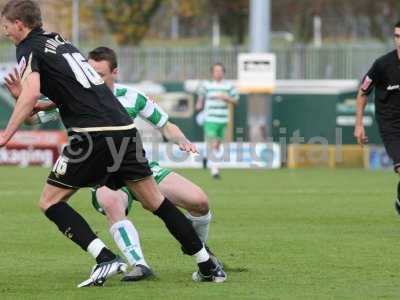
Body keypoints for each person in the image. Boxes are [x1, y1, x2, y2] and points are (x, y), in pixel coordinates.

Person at [0, 0, 225, 286]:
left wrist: (7, 133)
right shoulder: (59, 42)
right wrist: (37, 104)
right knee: (156, 201)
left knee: (50, 201)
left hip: (92, 134)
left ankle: (105, 257)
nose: (5, 31)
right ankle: (207, 264)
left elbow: (31, 94)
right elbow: (74, 90)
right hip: (124, 129)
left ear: (20, 24)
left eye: (5, 26)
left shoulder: (28, 46)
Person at [354, 21, 400, 214]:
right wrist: (359, 125)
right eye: (397, 36)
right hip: (391, 124)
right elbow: (363, 92)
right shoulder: (382, 65)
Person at [196, 63, 239, 179]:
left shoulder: (229, 87)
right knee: (214, 143)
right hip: (210, 119)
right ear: (212, 73)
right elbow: (200, 97)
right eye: (216, 71)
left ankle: (206, 157)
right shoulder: (207, 85)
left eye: (220, 71)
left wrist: (227, 98)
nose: (218, 73)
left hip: (223, 119)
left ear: (223, 72)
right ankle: (215, 171)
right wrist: (199, 103)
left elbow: (236, 101)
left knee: (217, 145)